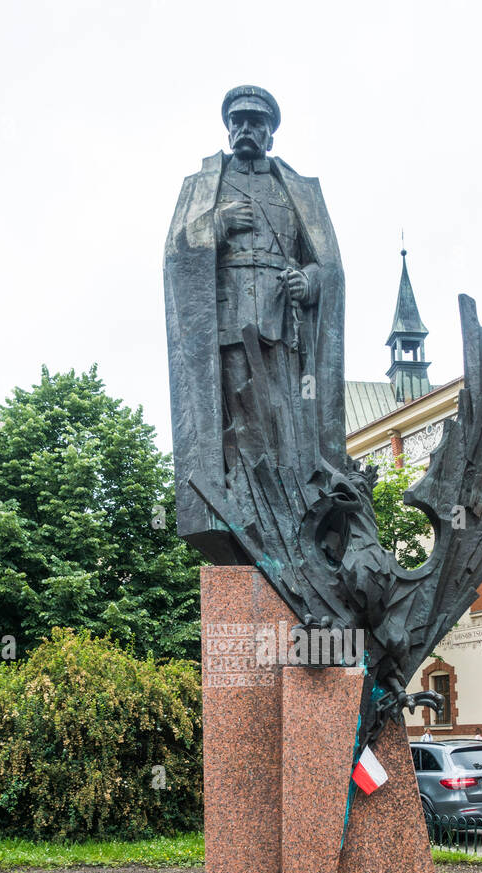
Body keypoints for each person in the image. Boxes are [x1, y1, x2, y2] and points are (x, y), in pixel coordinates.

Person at [164, 86, 345, 563]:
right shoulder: (204, 185)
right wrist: (217, 224)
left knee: (284, 420)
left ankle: (289, 510)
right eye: (238, 121)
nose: (246, 129)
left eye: (256, 122)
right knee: (236, 420)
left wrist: (308, 281)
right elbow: (177, 253)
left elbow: (325, 264)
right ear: (227, 127)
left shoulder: (298, 188)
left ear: (270, 131)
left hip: (281, 323)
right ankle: (242, 502)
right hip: (225, 325)